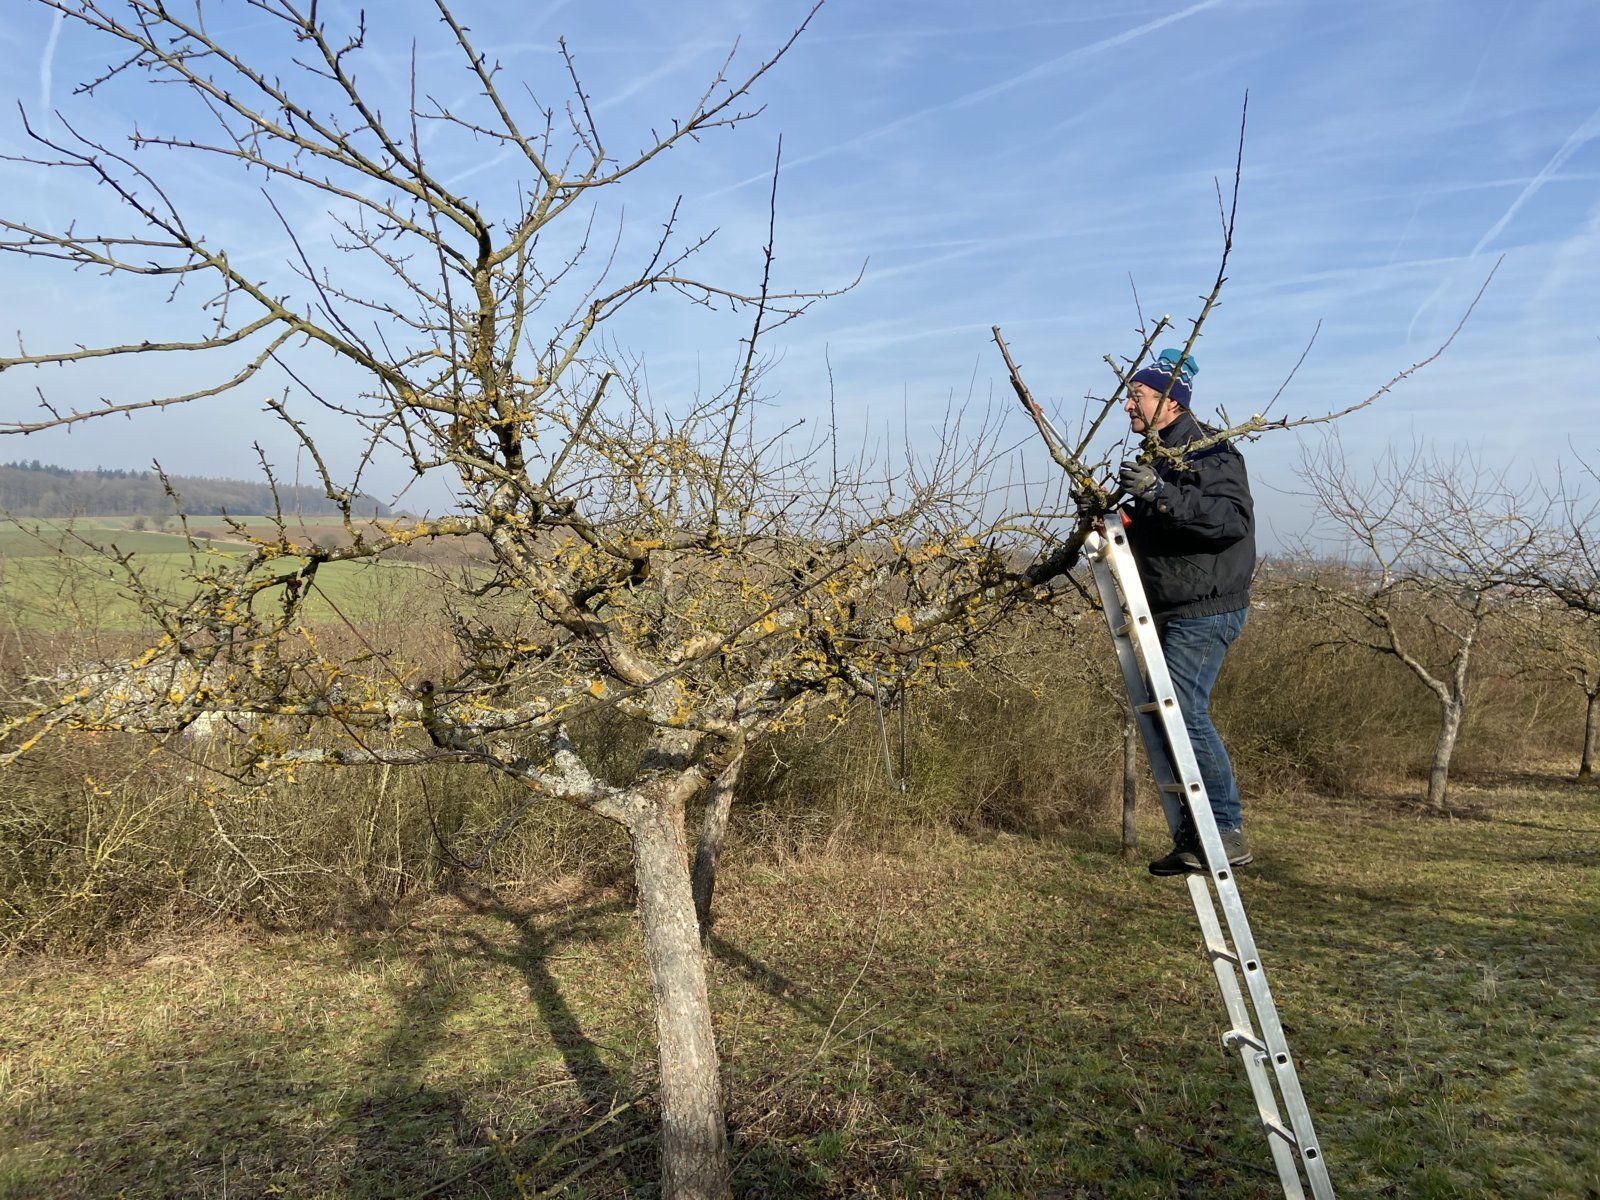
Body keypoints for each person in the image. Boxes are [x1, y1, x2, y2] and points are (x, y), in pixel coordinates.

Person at [1115, 349, 1257, 876]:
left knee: (1184, 713)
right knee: (1167, 715)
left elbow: (1228, 519)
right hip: (1177, 602)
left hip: (1205, 605)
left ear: (1170, 402)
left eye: (1138, 395)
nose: (1128, 405)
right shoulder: (1163, 454)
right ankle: (1196, 837)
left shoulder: (1207, 451)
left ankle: (1225, 831)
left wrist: (1160, 493)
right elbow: (1164, 527)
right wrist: (1121, 520)